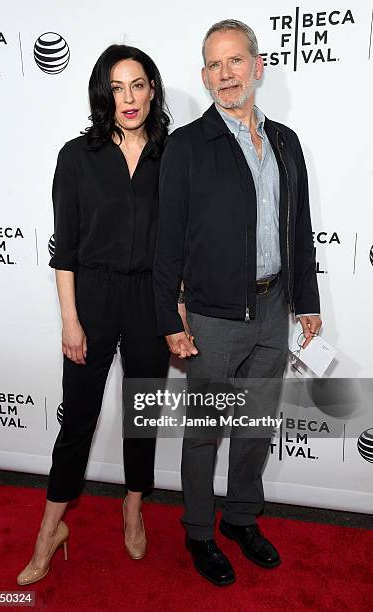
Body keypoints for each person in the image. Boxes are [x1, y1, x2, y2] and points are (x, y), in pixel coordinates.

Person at [153, 19, 321, 586]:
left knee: (255, 427)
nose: (227, 75)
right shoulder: (186, 146)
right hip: (212, 317)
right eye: (215, 65)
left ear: (258, 65)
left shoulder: (287, 142)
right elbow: (166, 241)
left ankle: (242, 518)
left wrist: (308, 302)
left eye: (236, 61)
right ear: (204, 77)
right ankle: (200, 530)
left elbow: (299, 228)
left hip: (274, 311)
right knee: (204, 433)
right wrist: (169, 317)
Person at [17, 44, 170, 586]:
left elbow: (178, 245)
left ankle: (132, 505)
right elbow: (67, 249)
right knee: (77, 418)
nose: (128, 98)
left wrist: (175, 310)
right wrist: (70, 319)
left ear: (153, 89)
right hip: (94, 298)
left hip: (151, 300)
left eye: (138, 85)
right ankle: (49, 531)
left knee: (143, 411)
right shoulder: (77, 156)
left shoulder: (171, 155)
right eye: (117, 87)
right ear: (103, 93)